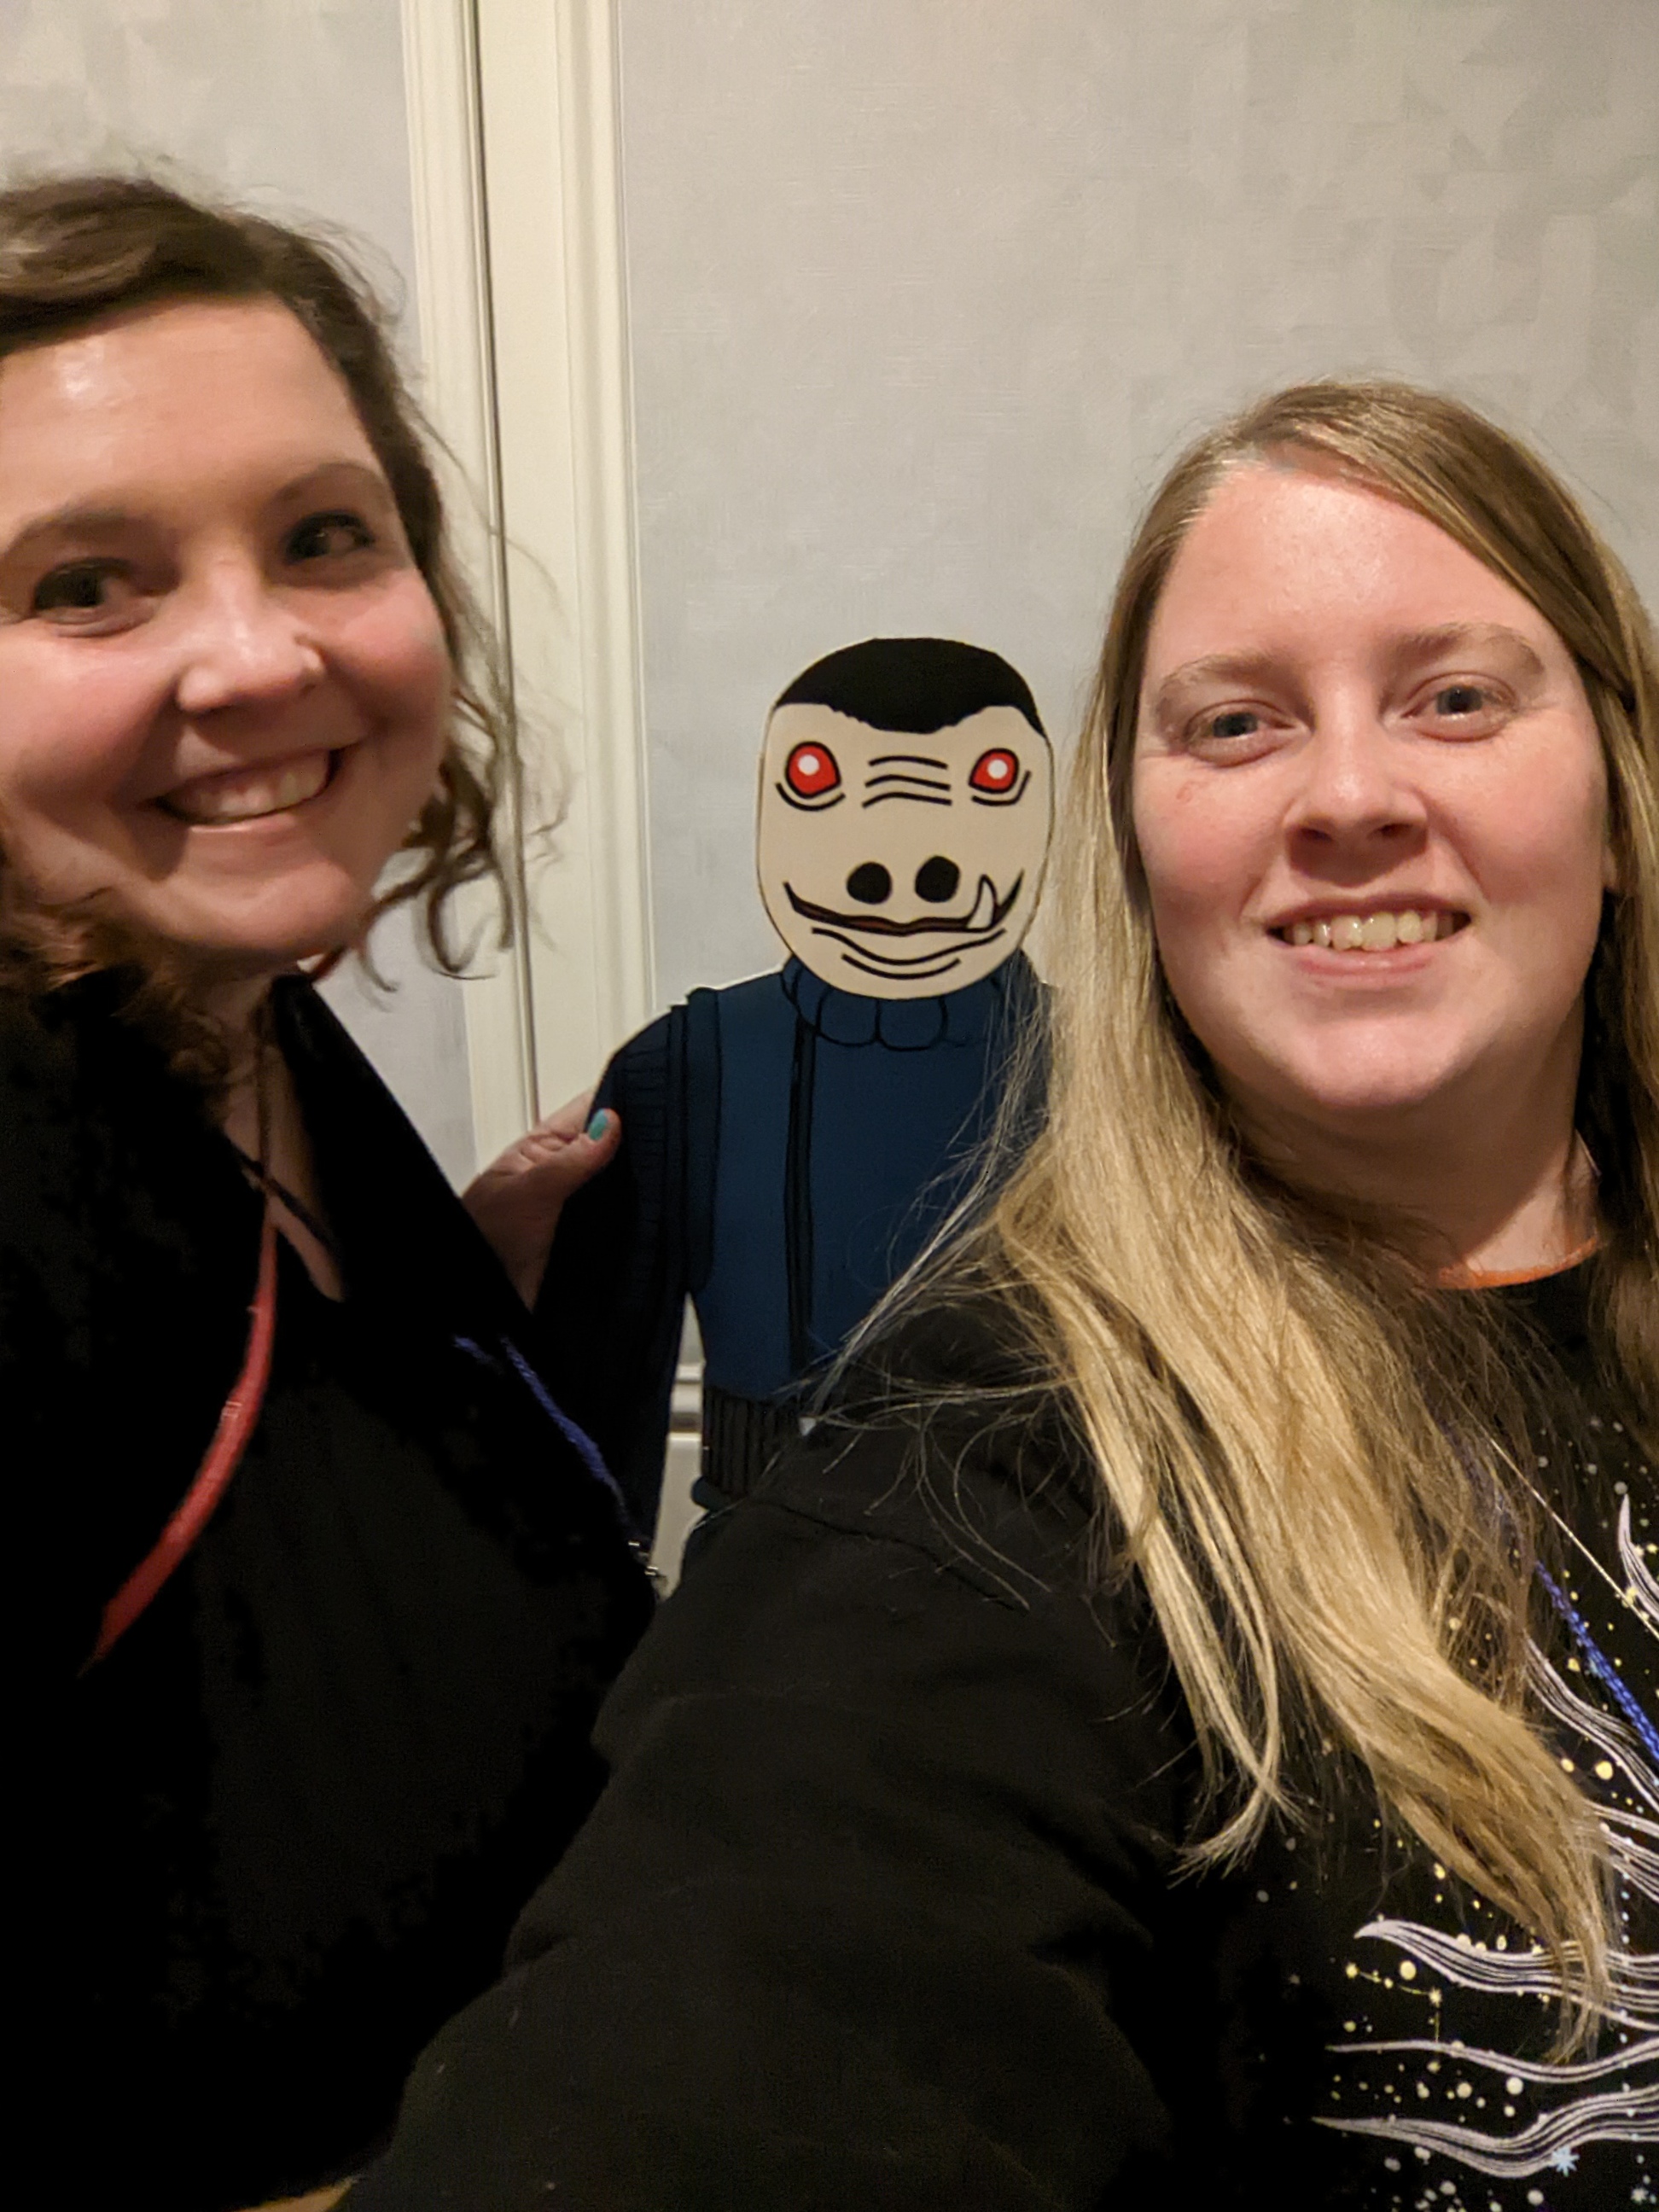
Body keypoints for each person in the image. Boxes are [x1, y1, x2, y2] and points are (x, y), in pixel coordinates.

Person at [343, 381, 1659, 2212]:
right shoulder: (975, 1475)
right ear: (1131, 842)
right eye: (1234, 721)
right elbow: (762, 1984)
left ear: (1617, 787)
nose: (1351, 796)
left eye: (1452, 697)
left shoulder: (1023, 1054)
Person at [2, 175, 654, 2210]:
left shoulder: (243, 1018)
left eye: (322, 538)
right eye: (87, 584)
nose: (260, 654)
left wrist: (443, 1353)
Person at [537, 636, 1051, 1534]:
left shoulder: (1119, 1073)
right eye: (818, 777)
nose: (902, 880)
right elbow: (597, 1398)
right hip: (761, 1571)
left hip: (1051, 1580)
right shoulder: (682, 1072)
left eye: (990, 777)